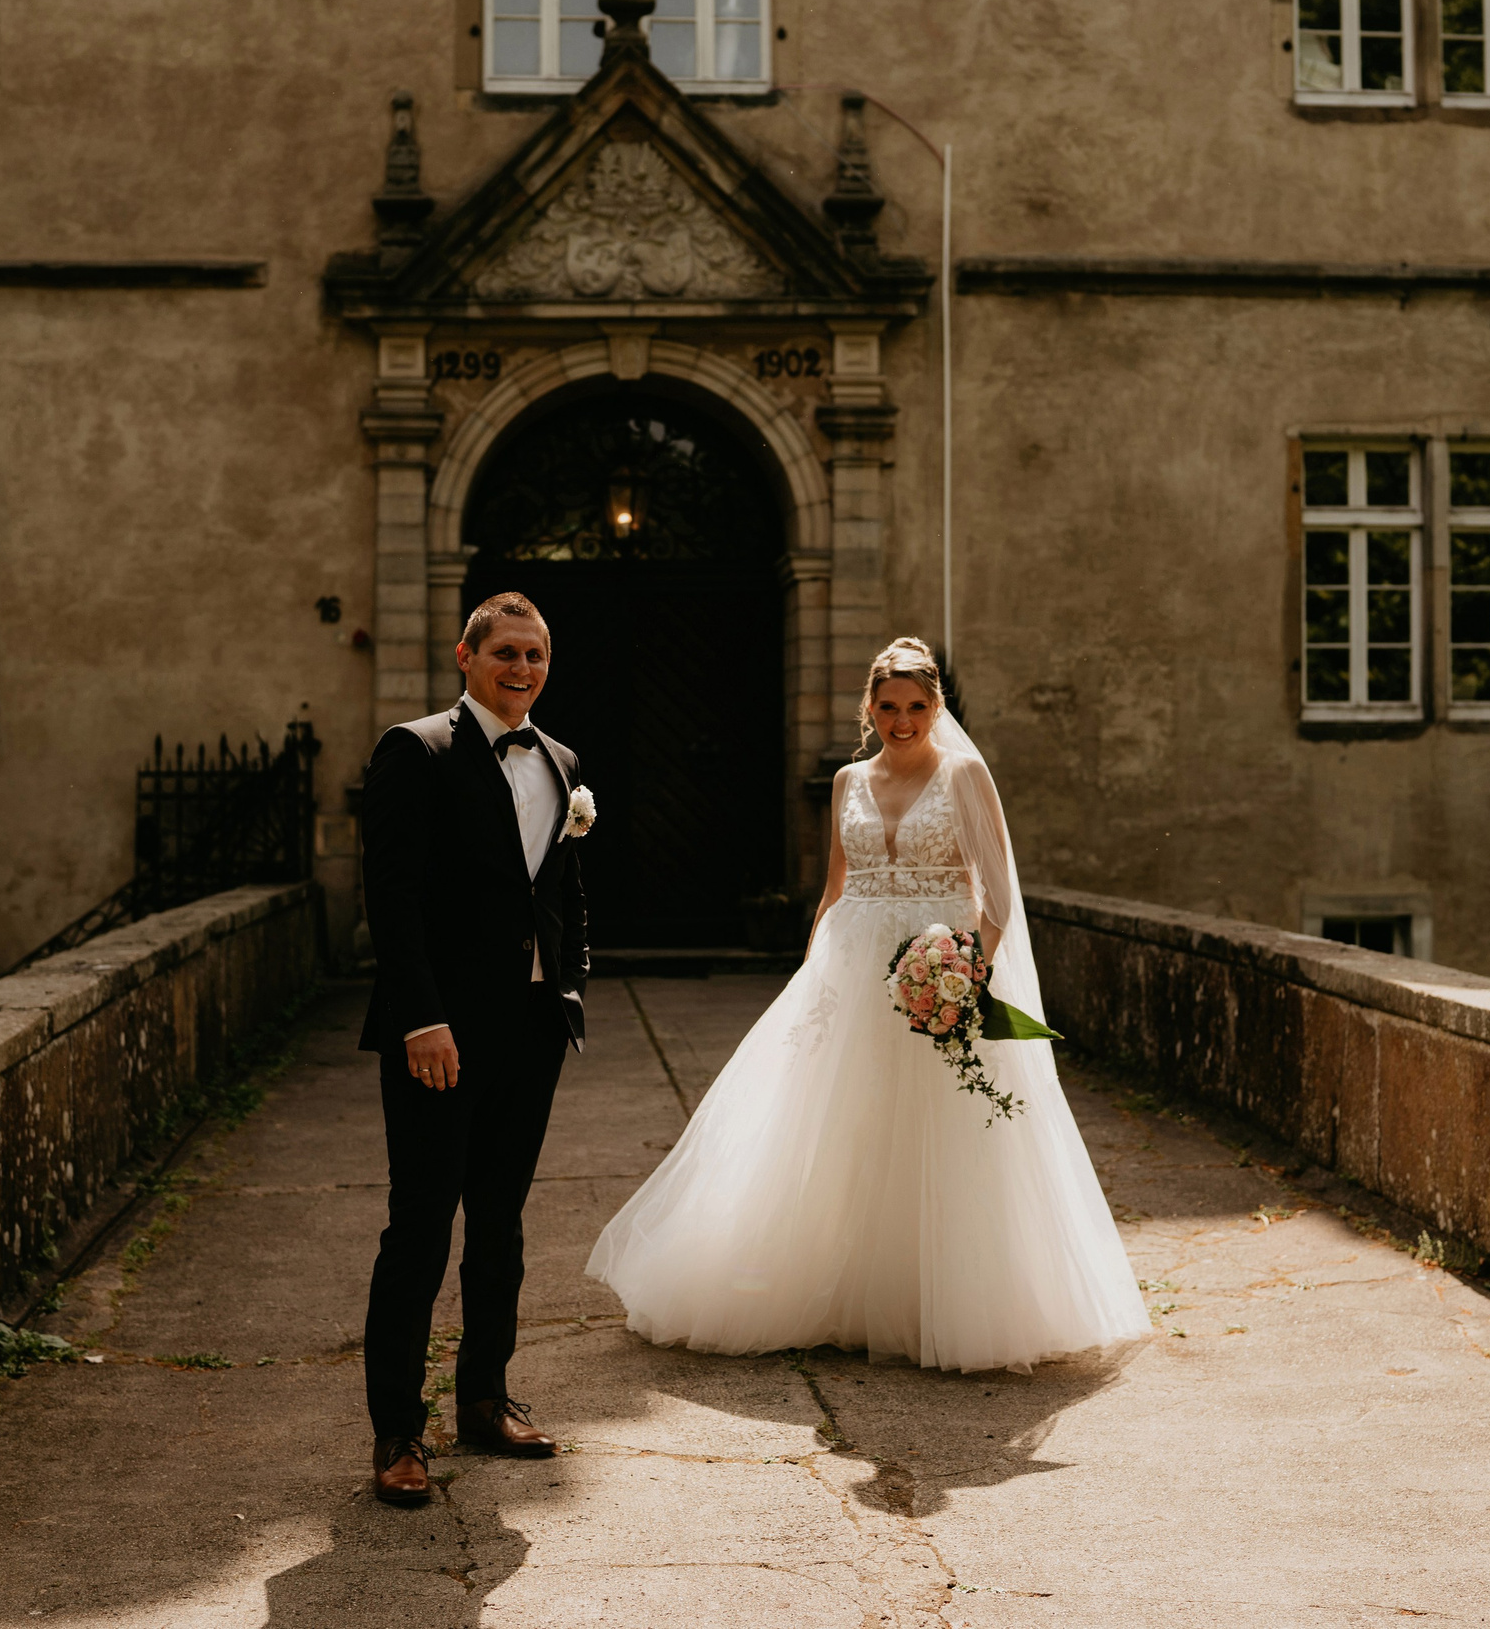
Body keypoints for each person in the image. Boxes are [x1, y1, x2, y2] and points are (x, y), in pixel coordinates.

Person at [587, 637, 1148, 1371]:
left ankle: (938, 1301)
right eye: (888, 706)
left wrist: (964, 971)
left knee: (942, 1132)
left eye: (917, 706)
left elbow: (998, 892)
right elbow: (834, 887)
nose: (903, 719)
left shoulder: (965, 774)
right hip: (851, 975)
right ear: (870, 706)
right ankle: (835, 1289)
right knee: (836, 1124)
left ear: (937, 706)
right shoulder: (847, 780)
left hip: (940, 969)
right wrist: (813, 973)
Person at [357, 592, 590, 1505]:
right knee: (419, 1229)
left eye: (535, 654)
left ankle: (486, 1400)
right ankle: (397, 1432)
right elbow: (394, 894)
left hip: (531, 1029)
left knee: (500, 1224)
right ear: (465, 655)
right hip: (439, 1036)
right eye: (505, 652)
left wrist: (570, 978)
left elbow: (563, 886)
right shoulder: (415, 750)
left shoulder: (563, 761)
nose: (521, 668)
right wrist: (420, 1018)